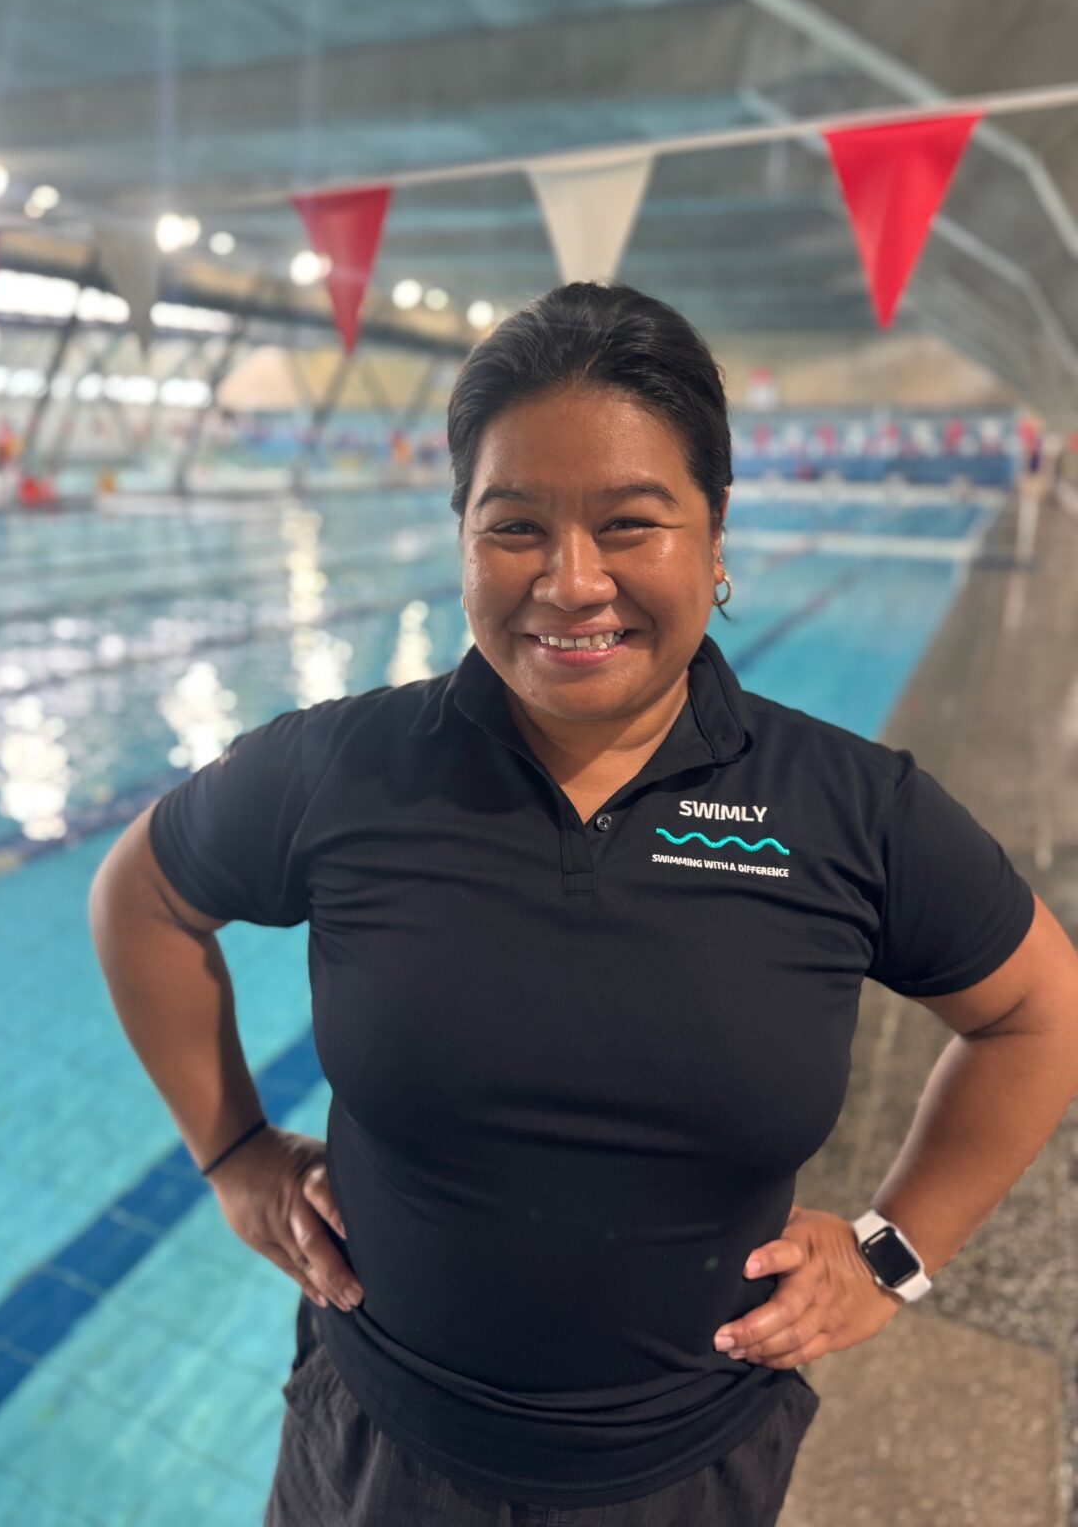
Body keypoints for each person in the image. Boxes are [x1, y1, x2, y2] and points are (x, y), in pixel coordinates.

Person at [89, 283, 1078, 1526]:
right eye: (514, 527)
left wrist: (896, 1252)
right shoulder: (347, 767)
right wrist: (232, 1151)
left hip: (684, 1472)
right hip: (377, 1445)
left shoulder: (846, 806)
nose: (570, 583)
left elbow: (1041, 1011)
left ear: (715, 538)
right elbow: (143, 898)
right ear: (462, 539)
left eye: (630, 523)